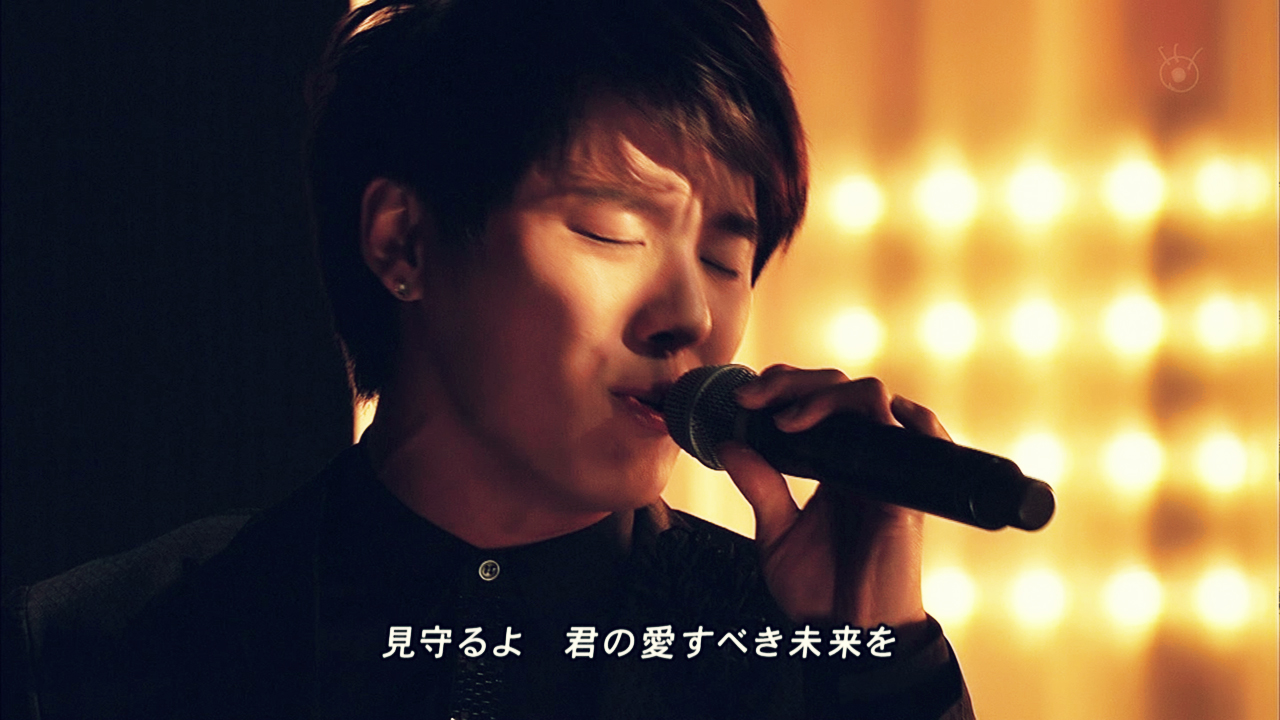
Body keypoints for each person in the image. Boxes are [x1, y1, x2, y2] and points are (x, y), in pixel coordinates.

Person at [5, 0, 976, 718]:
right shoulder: (101, 650)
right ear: (404, 242)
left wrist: (876, 663)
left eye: (725, 259)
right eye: (609, 231)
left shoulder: (791, 658)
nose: (688, 316)